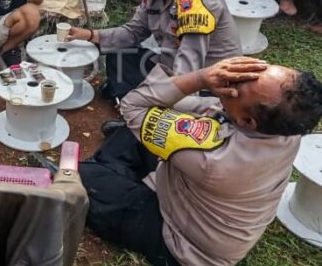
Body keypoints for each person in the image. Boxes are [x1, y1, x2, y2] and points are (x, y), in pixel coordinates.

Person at [79, 57, 322, 265]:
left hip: (183, 242)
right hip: (195, 192)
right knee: (143, 127)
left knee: (81, 177)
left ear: (247, 122)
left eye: (239, 85)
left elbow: (133, 104)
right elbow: (203, 109)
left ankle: (113, 172)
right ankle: (121, 164)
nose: (234, 77)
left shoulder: (216, 160)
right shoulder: (283, 126)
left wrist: (201, 78)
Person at [69, 0, 241, 104]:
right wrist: (89, 34)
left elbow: (189, 62)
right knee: (120, 54)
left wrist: (170, 94)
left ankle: (144, 113)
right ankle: (128, 105)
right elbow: (133, 32)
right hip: (170, 65)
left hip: (206, 85)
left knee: (159, 105)